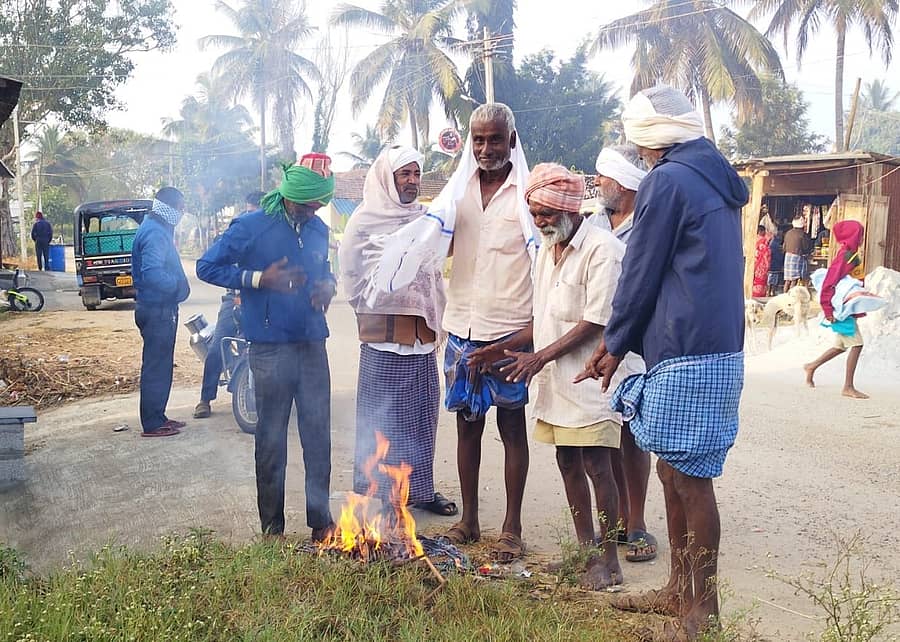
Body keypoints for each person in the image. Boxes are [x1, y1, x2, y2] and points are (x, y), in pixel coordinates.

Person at [577, 86, 746, 640]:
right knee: (674, 470)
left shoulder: (667, 180)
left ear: (650, 141)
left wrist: (614, 342)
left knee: (691, 481)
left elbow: (641, 270)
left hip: (684, 345)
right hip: (715, 344)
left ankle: (703, 612)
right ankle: (679, 590)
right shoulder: (714, 175)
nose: (641, 155)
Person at [196, 154, 337, 540]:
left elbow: (325, 271)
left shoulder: (318, 229)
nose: (314, 211)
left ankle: (321, 522)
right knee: (272, 438)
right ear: (290, 195)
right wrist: (259, 279)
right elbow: (207, 266)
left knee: (318, 435)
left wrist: (328, 286)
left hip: (313, 343)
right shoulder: (252, 226)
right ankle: (272, 531)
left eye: (319, 205)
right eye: (308, 204)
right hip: (270, 348)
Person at [500, 163, 625, 589]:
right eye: (535, 214)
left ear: (571, 209)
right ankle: (586, 554)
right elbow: (543, 316)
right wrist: (503, 348)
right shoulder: (546, 249)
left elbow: (596, 321)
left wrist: (540, 358)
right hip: (555, 380)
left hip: (591, 377)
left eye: (547, 213)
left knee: (597, 466)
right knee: (567, 461)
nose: (540, 221)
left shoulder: (603, 249)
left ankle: (610, 562)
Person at [440, 103, 536, 562]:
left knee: (512, 428)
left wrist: (533, 335)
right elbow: (435, 244)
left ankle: (511, 528)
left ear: (511, 141)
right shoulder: (456, 192)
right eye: (478, 139)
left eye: (495, 139)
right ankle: (469, 521)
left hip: (510, 333)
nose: (486, 148)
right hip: (462, 327)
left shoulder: (528, 195)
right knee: (467, 427)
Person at [339, 145, 457, 517]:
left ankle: (420, 490)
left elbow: (440, 256)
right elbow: (351, 273)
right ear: (387, 178)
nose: (411, 181)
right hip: (383, 340)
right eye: (404, 174)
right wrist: (377, 298)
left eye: (416, 174)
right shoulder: (364, 220)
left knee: (421, 420)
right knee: (383, 423)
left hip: (422, 340)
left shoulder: (425, 219)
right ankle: (384, 493)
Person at [589, 144, 658, 564]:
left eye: (603, 177)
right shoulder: (594, 223)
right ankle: (613, 520)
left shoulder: (649, 222)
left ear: (623, 182)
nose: (598, 182)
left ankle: (637, 522)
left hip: (638, 341)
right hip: (597, 337)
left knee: (632, 433)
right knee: (605, 431)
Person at [193, 190, 266, 419]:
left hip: (263, 303)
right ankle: (205, 399)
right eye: (250, 212)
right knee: (217, 347)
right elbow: (210, 266)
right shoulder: (235, 235)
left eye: (257, 213)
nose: (252, 218)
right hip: (234, 300)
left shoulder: (271, 239)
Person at [131, 188, 191, 437]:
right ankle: (152, 423)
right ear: (168, 207)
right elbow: (152, 274)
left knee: (162, 365)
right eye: (180, 207)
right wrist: (176, 286)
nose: (182, 212)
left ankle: (158, 416)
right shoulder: (155, 233)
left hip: (159, 308)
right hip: (157, 310)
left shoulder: (156, 227)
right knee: (156, 367)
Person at [804, 220, 869, 399]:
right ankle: (848, 387)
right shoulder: (846, 256)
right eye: (860, 235)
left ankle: (811, 366)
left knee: (840, 346)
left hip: (846, 309)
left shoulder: (851, 255)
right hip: (840, 309)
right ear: (853, 236)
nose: (862, 239)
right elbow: (829, 283)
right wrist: (827, 309)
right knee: (857, 344)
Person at [783, 216, 812, 291]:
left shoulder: (788, 233)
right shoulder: (802, 234)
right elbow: (805, 247)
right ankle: (791, 295)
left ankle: (785, 294)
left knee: (787, 280)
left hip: (787, 256)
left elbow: (784, 247)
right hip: (797, 256)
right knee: (794, 279)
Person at [752, 225, 772, 298]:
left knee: (754, 281)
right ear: (761, 231)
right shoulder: (764, 241)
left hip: (753, 264)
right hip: (761, 265)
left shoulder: (752, 240)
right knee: (761, 282)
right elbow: (767, 252)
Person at [767, 228, 786, 297]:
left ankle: (769, 291)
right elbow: (780, 255)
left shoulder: (772, 243)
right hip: (775, 264)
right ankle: (772, 291)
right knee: (774, 279)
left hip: (772, 264)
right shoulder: (776, 245)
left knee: (771, 279)